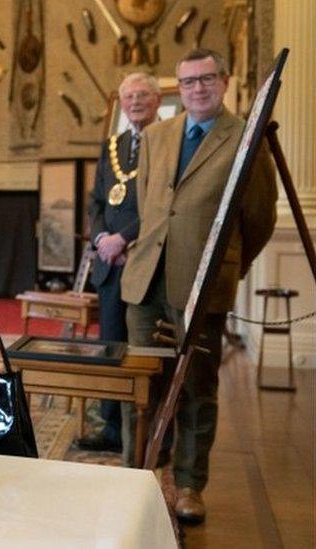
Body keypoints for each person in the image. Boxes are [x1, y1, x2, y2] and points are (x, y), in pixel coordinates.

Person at [120, 49, 277, 524]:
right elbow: (152, 208)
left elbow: (260, 220)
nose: (197, 89)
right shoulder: (158, 135)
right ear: (179, 89)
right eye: (187, 82)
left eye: (206, 79)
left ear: (225, 81)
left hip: (200, 289)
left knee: (195, 391)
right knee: (141, 385)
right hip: (145, 282)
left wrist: (229, 268)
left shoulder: (244, 141)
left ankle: (189, 484)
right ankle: (138, 475)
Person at [80, 73, 161, 453]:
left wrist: (122, 238)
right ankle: (111, 429)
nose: (135, 102)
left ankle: (148, 434)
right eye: (129, 96)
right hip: (109, 264)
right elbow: (97, 200)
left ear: (158, 99)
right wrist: (100, 239)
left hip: (145, 262)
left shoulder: (168, 145)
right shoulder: (113, 145)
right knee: (111, 346)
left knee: (142, 351)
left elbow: (161, 207)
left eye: (143, 94)